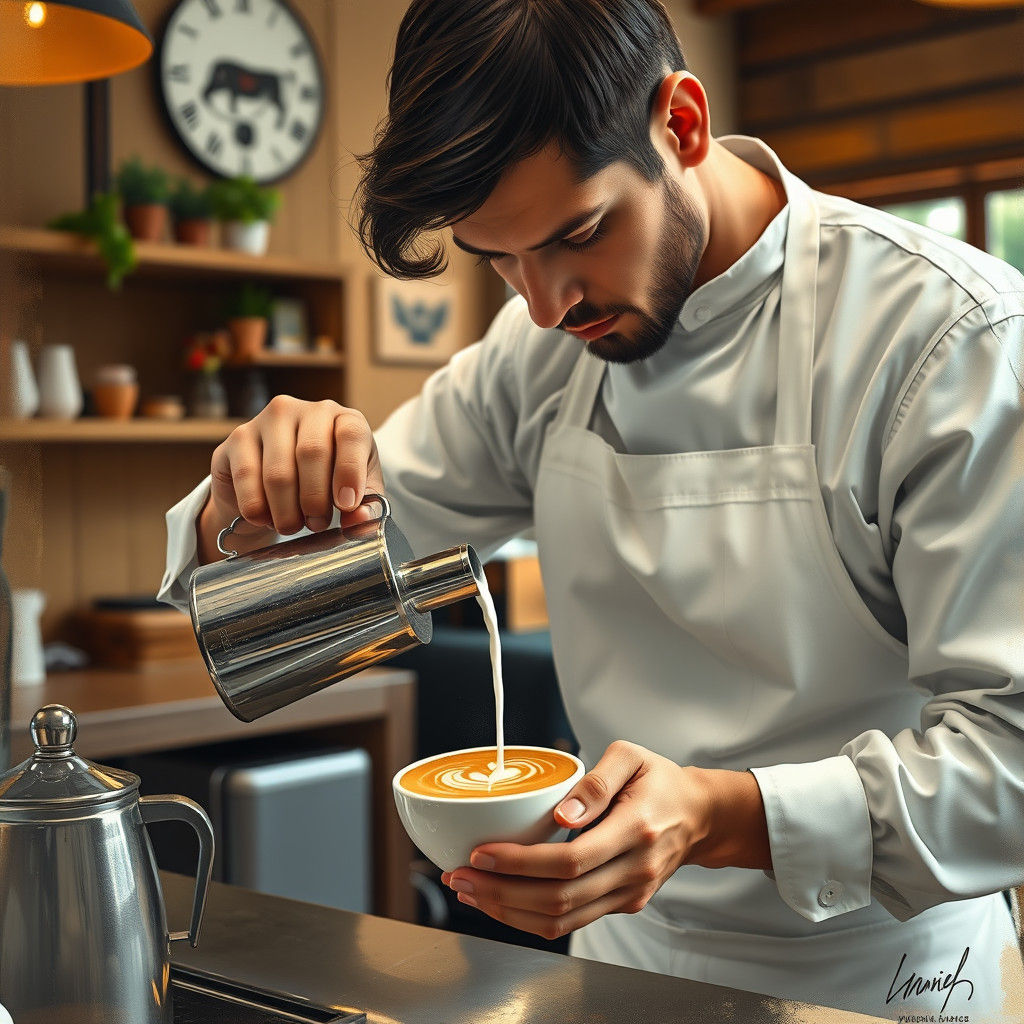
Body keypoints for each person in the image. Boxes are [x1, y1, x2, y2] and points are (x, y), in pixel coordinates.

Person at [159, 0, 1024, 1018]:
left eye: (579, 233)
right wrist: (250, 507)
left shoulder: (948, 340)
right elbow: (295, 592)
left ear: (682, 124)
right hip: (618, 961)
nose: (544, 305)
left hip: (889, 973)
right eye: (498, 257)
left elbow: (1008, 763)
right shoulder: (534, 361)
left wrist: (716, 815)